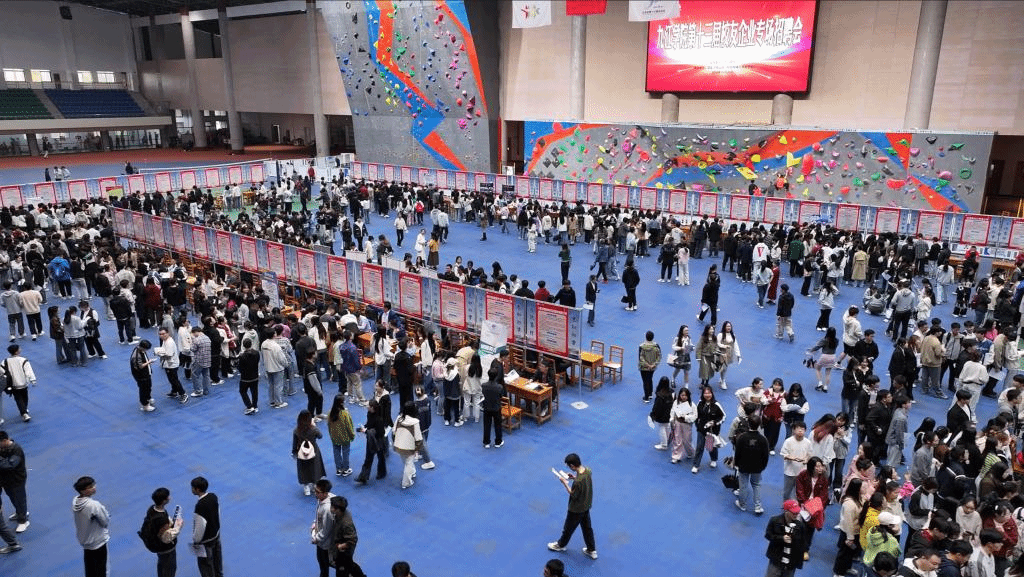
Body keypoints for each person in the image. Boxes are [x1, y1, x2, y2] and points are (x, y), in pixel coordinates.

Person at [547, 452, 597, 560]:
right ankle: (591, 550)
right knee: (587, 528)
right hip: (586, 506)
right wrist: (574, 477)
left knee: (568, 528)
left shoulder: (578, 482)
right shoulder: (587, 470)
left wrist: (565, 483)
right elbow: (583, 480)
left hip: (576, 509)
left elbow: (573, 494)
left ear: (572, 466)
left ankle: (561, 545)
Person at [72, 476, 110, 577]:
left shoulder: (75, 501)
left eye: (93, 485)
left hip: (86, 543)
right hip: (98, 543)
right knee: (102, 571)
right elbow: (105, 521)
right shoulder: (94, 505)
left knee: (90, 571)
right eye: (90, 487)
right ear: (83, 491)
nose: (94, 488)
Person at [143, 487, 183, 577]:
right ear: (164, 501)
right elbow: (166, 539)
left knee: (162, 568)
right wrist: (178, 526)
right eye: (167, 497)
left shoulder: (152, 509)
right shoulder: (162, 519)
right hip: (166, 550)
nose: (169, 498)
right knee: (169, 570)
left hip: (158, 549)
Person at [734, 415, 770, 515]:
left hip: (743, 466)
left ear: (748, 424)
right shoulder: (763, 439)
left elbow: (737, 452)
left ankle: (742, 505)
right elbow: (765, 455)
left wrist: (737, 464)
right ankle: (758, 506)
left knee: (743, 485)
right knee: (756, 485)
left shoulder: (742, 437)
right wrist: (763, 466)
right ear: (759, 425)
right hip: (757, 467)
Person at [763, 500, 808, 577]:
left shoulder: (800, 526)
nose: (796, 514)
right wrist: (781, 538)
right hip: (776, 560)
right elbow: (768, 535)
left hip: (791, 563)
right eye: (793, 513)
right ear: (786, 511)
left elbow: (803, 543)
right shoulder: (775, 521)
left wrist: (802, 557)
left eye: (797, 512)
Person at [190, 476, 222, 577]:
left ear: (197, 489)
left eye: (192, 488)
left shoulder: (200, 506)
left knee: (206, 568)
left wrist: (196, 541)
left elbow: (200, 526)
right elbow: (217, 513)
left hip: (205, 543)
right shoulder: (213, 496)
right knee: (217, 565)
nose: (191, 489)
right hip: (216, 536)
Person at [692, 385, 726, 474]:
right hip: (701, 430)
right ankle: (696, 465)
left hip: (712, 431)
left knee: (710, 447)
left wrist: (715, 422)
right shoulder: (700, 403)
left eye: (709, 393)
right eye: (705, 393)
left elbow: (723, 417)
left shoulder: (716, 405)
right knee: (699, 447)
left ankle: (713, 459)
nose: (707, 395)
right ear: (702, 394)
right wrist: (698, 425)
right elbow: (696, 415)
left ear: (712, 393)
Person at [329, 496, 366, 577]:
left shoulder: (346, 523)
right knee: (349, 564)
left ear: (338, 509)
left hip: (344, 550)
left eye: (332, 507)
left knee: (342, 568)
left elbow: (353, 539)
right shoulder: (340, 514)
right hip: (340, 543)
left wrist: (341, 546)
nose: (330, 508)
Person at [292, 410, 327, 496]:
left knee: (303, 469)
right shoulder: (313, 429)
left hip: (302, 452)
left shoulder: (296, 430)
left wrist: (294, 452)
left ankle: (306, 487)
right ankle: (315, 486)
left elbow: (294, 443)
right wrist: (314, 425)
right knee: (314, 467)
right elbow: (320, 436)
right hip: (313, 451)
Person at [0, 431, 28, 534]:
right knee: (12, 497)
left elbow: (10, 465)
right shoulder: (2, 448)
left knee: (19, 499)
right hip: (6, 480)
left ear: (4, 441)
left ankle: (23, 520)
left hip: (17, 480)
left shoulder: (16, 449)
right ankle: (19, 512)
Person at [354, 399, 387, 484]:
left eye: (368, 405)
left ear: (372, 408)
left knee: (380, 457)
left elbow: (380, 432)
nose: (367, 406)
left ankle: (382, 473)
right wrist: (364, 428)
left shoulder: (379, 418)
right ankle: (363, 477)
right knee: (368, 458)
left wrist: (367, 431)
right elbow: (369, 424)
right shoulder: (369, 413)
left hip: (378, 440)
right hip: (371, 439)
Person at [393, 401, 423, 489]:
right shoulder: (415, 422)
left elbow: (394, 431)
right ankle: (406, 482)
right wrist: (417, 449)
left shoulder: (399, 418)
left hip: (398, 445)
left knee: (405, 462)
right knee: (409, 463)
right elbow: (418, 438)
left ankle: (412, 472)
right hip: (410, 447)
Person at [3, 344, 36, 422]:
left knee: (18, 399)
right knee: (25, 397)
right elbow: (28, 371)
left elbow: (2, 371)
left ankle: (23, 411)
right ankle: (24, 411)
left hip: (13, 384)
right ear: (17, 351)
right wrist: (32, 380)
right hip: (23, 383)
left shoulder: (5, 361)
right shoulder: (23, 360)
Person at [311, 479, 335, 577]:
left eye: (318, 492)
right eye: (315, 490)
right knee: (324, 562)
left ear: (325, 493)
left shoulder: (327, 509)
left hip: (325, 544)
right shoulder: (322, 500)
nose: (315, 494)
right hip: (323, 542)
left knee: (325, 563)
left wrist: (316, 538)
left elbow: (326, 529)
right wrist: (316, 523)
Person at [327, 394, 355, 477]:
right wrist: (352, 435)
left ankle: (338, 469)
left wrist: (331, 435)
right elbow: (349, 426)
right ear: (342, 403)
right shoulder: (344, 413)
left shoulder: (330, 413)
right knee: (345, 452)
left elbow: (329, 426)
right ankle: (346, 469)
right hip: (345, 437)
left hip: (335, 437)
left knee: (336, 452)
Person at [131, 339, 158, 412]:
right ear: (142, 347)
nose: (147, 351)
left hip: (146, 373)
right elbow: (139, 366)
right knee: (143, 389)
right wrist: (149, 362)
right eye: (146, 349)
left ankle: (148, 398)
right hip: (141, 376)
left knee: (148, 386)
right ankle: (145, 405)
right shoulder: (136, 356)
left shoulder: (141, 350)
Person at [481, 367, 504, 448]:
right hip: (496, 408)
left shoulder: (483, 385)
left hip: (487, 407)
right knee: (498, 425)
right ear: (496, 376)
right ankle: (498, 441)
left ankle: (486, 442)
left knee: (487, 425)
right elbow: (501, 396)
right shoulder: (499, 387)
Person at [638, 331, 661, 402]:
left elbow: (640, 358)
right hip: (652, 367)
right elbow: (659, 356)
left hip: (643, 368)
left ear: (646, 337)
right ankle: (650, 394)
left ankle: (646, 397)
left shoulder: (641, 346)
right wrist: (653, 365)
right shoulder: (656, 346)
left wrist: (647, 365)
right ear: (653, 337)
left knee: (645, 381)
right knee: (650, 379)